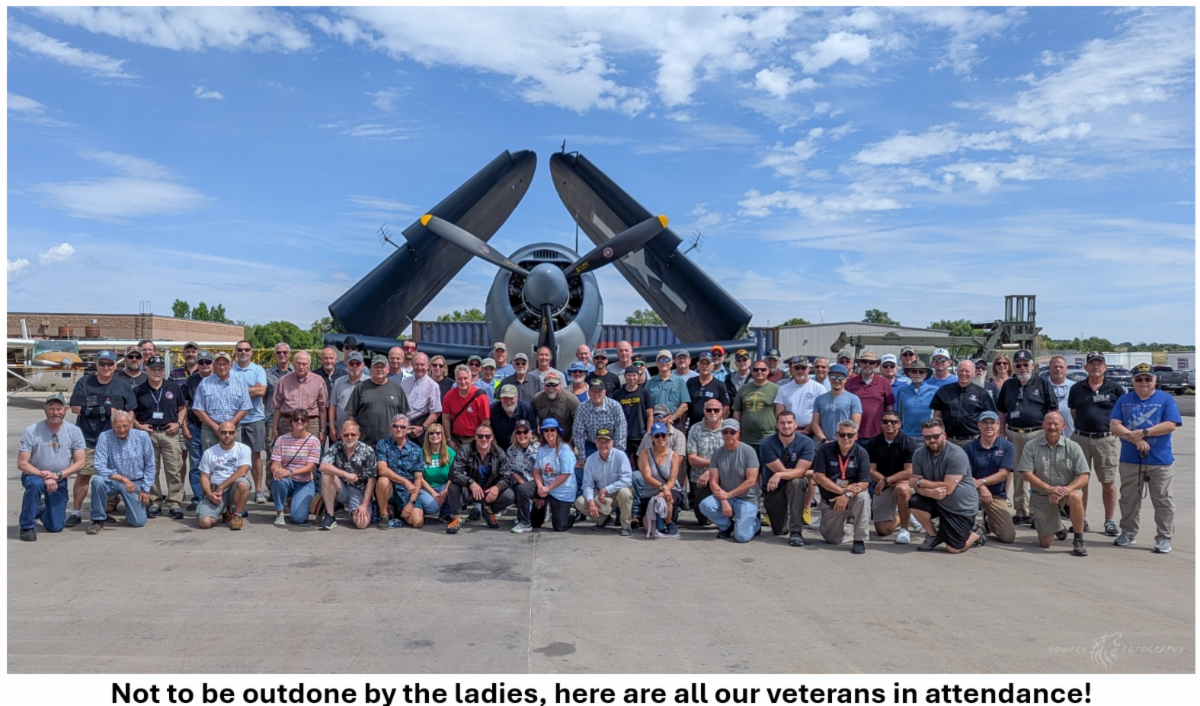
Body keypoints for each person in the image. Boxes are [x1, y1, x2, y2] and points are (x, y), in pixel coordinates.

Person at [1109, 363, 1182, 554]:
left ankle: (1164, 538)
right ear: (1133, 381)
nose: (1144, 382)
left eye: (1148, 379)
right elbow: (1114, 424)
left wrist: (1144, 432)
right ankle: (1128, 533)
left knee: (1163, 501)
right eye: (1139, 379)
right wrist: (1134, 438)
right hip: (1130, 460)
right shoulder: (1124, 400)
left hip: (1160, 461)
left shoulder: (1166, 399)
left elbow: (1171, 424)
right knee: (1129, 499)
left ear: (1155, 380)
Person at [67, 350, 138, 528]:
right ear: (96, 365)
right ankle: (76, 512)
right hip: (88, 439)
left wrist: (129, 431)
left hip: (114, 441)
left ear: (115, 365)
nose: (106, 367)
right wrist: (104, 410)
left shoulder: (122, 385)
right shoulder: (84, 382)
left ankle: (102, 511)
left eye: (110, 364)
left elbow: (130, 411)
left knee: (109, 478)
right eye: (102, 364)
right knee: (84, 475)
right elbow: (75, 408)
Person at [996, 349, 1057, 526]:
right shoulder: (1009, 385)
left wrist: (1052, 430)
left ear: (1032, 365)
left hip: (1037, 433)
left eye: (1025, 364)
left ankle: (1038, 512)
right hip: (1014, 433)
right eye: (1019, 365)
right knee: (1019, 473)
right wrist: (1002, 429)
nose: (1022, 368)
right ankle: (1021, 511)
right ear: (1014, 367)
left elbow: (1053, 408)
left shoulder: (1042, 383)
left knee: (1039, 472)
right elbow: (1002, 410)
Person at [1068, 351, 1125, 537]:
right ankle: (1081, 519)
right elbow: (1074, 412)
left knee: (1107, 482)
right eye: (1092, 363)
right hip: (1081, 439)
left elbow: (1121, 414)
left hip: (1105, 440)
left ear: (1105, 367)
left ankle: (1109, 521)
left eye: (1099, 363)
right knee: (1080, 481)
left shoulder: (1115, 389)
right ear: (1085, 367)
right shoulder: (1077, 388)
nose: (1095, 367)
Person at [1016, 412, 1089, 556]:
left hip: (1066, 494)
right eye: (1049, 424)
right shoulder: (1031, 446)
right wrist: (1048, 488)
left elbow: (1084, 476)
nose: (1052, 427)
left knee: (1075, 496)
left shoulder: (1073, 447)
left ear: (1063, 426)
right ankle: (1059, 526)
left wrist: (1065, 490)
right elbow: (1026, 473)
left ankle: (1078, 539)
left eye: (1056, 424)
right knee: (1045, 543)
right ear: (1043, 425)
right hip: (1042, 496)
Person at [909, 418, 985, 554]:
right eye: (927, 437)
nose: (932, 440)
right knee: (914, 502)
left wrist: (922, 482)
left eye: (935, 436)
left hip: (960, 507)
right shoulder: (919, 454)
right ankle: (933, 535)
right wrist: (930, 493)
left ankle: (977, 532)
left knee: (954, 548)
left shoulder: (956, 454)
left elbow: (947, 488)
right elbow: (914, 485)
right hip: (936, 500)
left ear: (944, 435)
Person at [18, 393, 86, 540]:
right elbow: (22, 463)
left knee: (56, 527)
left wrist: (58, 475)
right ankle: (27, 526)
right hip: (34, 475)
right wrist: (44, 476)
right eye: (51, 408)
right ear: (45, 409)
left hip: (59, 478)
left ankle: (40, 509)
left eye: (59, 409)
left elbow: (80, 462)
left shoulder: (74, 431)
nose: (55, 412)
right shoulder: (31, 430)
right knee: (35, 485)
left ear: (65, 410)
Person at [133, 355, 188, 519]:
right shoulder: (138, 390)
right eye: (153, 369)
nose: (156, 372)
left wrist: (178, 423)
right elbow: (131, 412)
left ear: (164, 371)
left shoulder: (173, 387)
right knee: (151, 470)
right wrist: (139, 426)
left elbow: (182, 408)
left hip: (169, 433)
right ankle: (154, 503)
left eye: (159, 369)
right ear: (146, 370)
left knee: (174, 469)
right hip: (147, 434)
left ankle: (174, 503)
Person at [87, 410, 156, 534]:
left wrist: (146, 489)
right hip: (113, 480)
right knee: (97, 481)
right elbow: (99, 466)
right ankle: (98, 519)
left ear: (131, 424)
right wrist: (123, 479)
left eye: (125, 426)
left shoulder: (143, 437)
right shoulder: (104, 437)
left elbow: (150, 465)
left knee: (138, 522)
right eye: (118, 426)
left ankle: (137, 506)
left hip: (135, 481)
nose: (122, 430)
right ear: (112, 425)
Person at [810, 420, 870, 553]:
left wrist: (846, 495)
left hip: (852, 498)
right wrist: (840, 491)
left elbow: (864, 483)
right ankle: (850, 528)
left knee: (863, 497)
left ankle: (859, 540)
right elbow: (819, 476)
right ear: (836, 435)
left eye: (850, 435)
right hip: (831, 500)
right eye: (842, 434)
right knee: (833, 539)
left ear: (856, 436)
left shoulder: (862, 453)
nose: (846, 438)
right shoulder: (824, 450)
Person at [696, 419, 760, 543]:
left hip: (747, 499)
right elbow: (713, 481)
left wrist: (728, 495)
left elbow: (751, 481)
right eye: (725, 432)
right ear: (721, 433)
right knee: (705, 505)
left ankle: (755, 523)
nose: (729, 435)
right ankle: (727, 526)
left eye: (732, 432)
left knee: (742, 537)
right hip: (726, 496)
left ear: (738, 433)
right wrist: (724, 500)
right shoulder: (717, 454)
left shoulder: (749, 452)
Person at [759, 411, 815, 547]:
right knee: (779, 530)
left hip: (793, 484)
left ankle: (796, 532)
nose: (786, 426)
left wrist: (780, 475)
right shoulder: (767, 443)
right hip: (773, 487)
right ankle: (781, 522)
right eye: (782, 423)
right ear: (777, 425)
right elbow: (784, 470)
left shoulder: (807, 442)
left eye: (789, 422)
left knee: (797, 482)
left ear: (795, 424)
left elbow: (798, 472)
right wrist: (806, 472)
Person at [445, 421, 512, 534]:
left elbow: (506, 476)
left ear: (492, 438)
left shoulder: (499, 453)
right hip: (468, 491)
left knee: (509, 495)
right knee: (453, 486)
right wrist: (470, 482)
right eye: (480, 436)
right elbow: (454, 472)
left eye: (487, 436)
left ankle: (488, 511)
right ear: (475, 437)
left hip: (487, 492)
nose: (484, 439)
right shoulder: (465, 450)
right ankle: (456, 518)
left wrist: (497, 487)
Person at [513, 419, 576, 533]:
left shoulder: (565, 450)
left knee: (559, 527)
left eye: (552, 430)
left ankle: (570, 515)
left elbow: (565, 474)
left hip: (561, 492)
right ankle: (525, 522)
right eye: (546, 430)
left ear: (557, 432)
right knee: (523, 490)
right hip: (545, 486)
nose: (549, 433)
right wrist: (540, 487)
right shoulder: (542, 448)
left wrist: (548, 488)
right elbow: (537, 470)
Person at [865, 410, 919, 544]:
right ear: (881, 424)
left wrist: (885, 480)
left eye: (893, 422)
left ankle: (904, 530)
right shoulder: (873, 443)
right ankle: (906, 514)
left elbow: (909, 471)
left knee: (902, 489)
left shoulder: (909, 442)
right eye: (885, 421)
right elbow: (871, 470)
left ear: (899, 424)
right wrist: (884, 481)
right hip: (883, 484)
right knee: (882, 530)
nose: (889, 424)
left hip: (902, 483)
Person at [963, 411, 1017, 544]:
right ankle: (974, 527)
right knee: (962, 533)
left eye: (992, 423)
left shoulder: (1007, 447)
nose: (989, 426)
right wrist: (982, 487)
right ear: (979, 425)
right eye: (985, 423)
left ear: (998, 425)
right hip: (972, 493)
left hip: (996, 495)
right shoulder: (968, 447)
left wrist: (982, 482)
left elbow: (1003, 473)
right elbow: (966, 474)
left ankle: (989, 521)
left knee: (1008, 537)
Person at [318, 420, 378, 530]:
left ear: (358, 435)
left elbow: (372, 479)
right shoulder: (336, 447)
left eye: (353, 434)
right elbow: (323, 466)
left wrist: (364, 505)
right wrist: (346, 474)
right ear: (341, 435)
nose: (349, 437)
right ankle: (330, 516)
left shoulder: (368, 451)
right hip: (342, 487)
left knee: (361, 523)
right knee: (326, 475)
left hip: (359, 491)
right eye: (346, 435)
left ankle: (365, 507)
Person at [575, 428, 636, 536]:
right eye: (600, 441)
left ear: (612, 443)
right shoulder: (590, 460)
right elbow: (587, 485)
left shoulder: (621, 456)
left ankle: (626, 526)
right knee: (580, 502)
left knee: (625, 493)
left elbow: (627, 480)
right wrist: (591, 502)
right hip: (600, 495)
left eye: (606, 442)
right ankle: (603, 520)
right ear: (595, 442)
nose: (603, 445)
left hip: (617, 493)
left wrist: (606, 489)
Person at [229, 340, 269, 503]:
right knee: (234, 456)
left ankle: (258, 491)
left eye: (246, 349)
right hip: (235, 419)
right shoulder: (230, 370)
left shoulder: (258, 370)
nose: (243, 352)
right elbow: (227, 391)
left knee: (256, 455)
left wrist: (238, 390)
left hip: (255, 419)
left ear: (251, 352)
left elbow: (261, 391)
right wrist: (252, 389)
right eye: (240, 349)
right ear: (236, 352)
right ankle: (237, 489)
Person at [269, 410, 322, 526]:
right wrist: (276, 470)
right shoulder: (281, 440)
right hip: (287, 480)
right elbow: (275, 463)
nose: (299, 422)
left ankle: (295, 502)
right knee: (277, 479)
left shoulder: (314, 441)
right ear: (291, 422)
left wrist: (290, 472)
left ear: (307, 422)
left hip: (304, 482)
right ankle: (279, 511)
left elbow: (309, 467)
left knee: (298, 519)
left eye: (303, 419)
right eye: (296, 419)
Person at [191, 351, 252, 453]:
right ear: (214, 365)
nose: (222, 367)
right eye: (219, 364)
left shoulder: (240, 383)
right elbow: (197, 408)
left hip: (233, 429)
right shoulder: (205, 383)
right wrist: (215, 426)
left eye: (225, 364)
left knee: (233, 458)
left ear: (230, 366)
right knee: (211, 458)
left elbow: (245, 407)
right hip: (210, 430)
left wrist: (230, 425)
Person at [195, 421, 251, 530]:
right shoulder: (209, 452)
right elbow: (204, 477)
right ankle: (223, 510)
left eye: (230, 432)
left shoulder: (244, 449)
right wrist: (209, 494)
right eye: (224, 432)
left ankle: (237, 515)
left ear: (235, 433)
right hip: (216, 491)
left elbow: (242, 472)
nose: (227, 435)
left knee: (243, 484)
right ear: (218, 433)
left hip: (233, 488)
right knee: (205, 523)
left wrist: (221, 487)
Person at [374, 414, 427, 528]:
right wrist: (405, 481)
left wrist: (411, 503)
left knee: (417, 522)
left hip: (406, 492)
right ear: (391, 428)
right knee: (383, 480)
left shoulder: (416, 449)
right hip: (389, 490)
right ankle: (384, 514)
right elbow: (382, 470)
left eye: (403, 427)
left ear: (408, 430)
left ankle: (398, 511)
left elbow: (418, 480)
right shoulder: (382, 444)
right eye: (395, 426)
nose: (399, 429)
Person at [345, 355, 410, 447]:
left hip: (391, 444)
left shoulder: (397, 389)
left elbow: (403, 417)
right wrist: (352, 435)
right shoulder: (360, 388)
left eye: (382, 367)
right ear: (371, 369)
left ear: (387, 369)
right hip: (365, 443)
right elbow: (351, 415)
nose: (379, 369)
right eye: (376, 367)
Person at [931, 359, 998, 447]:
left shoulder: (982, 393)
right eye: (961, 370)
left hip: (973, 441)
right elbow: (937, 416)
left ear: (973, 373)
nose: (964, 373)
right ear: (957, 372)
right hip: (948, 440)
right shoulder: (944, 390)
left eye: (967, 371)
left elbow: (992, 417)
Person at [636, 422, 685, 537]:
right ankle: (658, 522)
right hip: (650, 491)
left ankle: (669, 522)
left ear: (667, 436)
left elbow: (672, 479)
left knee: (665, 499)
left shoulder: (673, 455)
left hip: (670, 490)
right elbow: (647, 477)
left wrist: (664, 491)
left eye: (663, 435)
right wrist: (662, 487)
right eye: (657, 436)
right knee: (651, 529)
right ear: (652, 438)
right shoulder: (645, 453)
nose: (660, 438)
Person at [271, 351, 327, 443]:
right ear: (293, 364)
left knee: (311, 450)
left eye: (304, 364)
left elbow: (323, 408)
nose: (301, 367)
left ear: (309, 365)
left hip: (311, 423)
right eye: (298, 363)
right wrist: (275, 428)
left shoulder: (318, 380)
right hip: (288, 422)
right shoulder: (284, 380)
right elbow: (277, 406)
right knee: (288, 449)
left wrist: (323, 431)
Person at [572, 378, 627, 472]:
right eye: (593, 391)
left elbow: (621, 432)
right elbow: (578, 434)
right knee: (581, 472)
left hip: (611, 446)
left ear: (604, 392)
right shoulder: (582, 408)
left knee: (614, 471)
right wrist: (582, 458)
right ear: (589, 393)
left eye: (599, 391)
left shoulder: (615, 406)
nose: (596, 394)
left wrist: (617, 455)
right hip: (591, 446)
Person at [182, 350, 214, 511]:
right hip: (195, 427)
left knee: (213, 464)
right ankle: (197, 498)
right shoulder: (191, 381)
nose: (204, 365)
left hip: (213, 428)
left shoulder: (218, 379)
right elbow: (184, 405)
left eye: (208, 362)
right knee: (196, 464)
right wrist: (184, 426)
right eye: (201, 362)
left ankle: (213, 496)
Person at [686, 399, 725, 527]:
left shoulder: (728, 429)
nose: (712, 413)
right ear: (704, 411)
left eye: (716, 410)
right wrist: (714, 465)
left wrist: (710, 471)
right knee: (703, 519)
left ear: (722, 411)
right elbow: (692, 459)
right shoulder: (694, 429)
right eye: (709, 410)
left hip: (724, 477)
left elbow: (731, 459)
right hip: (699, 478)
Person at [731, 358, 780, 455]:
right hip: (747, 438)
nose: (759, 372)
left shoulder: (776, 389)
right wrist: (737, 431)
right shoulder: (744, 389)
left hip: (769, 437)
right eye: (756, 369)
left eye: (763, 369)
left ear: (768, 371)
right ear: (752, 371)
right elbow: (737, 411)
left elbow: (779, 412)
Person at [844, 351, 895, 441]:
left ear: (876, 365)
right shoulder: (849, 383)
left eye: (871, 362)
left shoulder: (884, 383)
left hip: (878, 435)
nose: (867, 364)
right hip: (854, 435)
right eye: (864, 361)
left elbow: (889, 408)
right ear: (859, 364)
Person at [810, 364, 862, 445]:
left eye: (840, 378)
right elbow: (815, 423)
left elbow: (855, 425)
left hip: (844, 443)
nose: (837, 380)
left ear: (846, 379)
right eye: (833, 377)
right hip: (824, 444)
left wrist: (842, 440)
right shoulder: (819, 399)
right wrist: (824, 440)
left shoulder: (854, 399)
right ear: (829, 378)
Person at [441, 364, 491, 449]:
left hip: (474, 439)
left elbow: (485, 422)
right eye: (459, 379)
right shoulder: (449, 395)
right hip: (456, 439)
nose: (463, 382)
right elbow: (445, 418)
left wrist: (479, 440)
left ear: (471, 379)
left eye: (465, 378)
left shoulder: (480, 397)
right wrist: (449, 440)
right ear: (456, 380)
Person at [775, 356, 825, 436]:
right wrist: (791, 430)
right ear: (792, 369)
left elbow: (822, 413)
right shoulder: (783, 389)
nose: (800, 371)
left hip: (813, 432)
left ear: (808, 369)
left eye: (803, 368)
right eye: (797, 368)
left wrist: (807, 430)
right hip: (788, 431)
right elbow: (779, 412)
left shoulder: (819, 389)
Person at [401, 352, 443, 439]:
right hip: (403, 426)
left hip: (418, 427)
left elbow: (436, 411)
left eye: (422, 365)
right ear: (412, 365)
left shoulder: (433, 386)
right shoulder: (405, 382)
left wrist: (422, 428)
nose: (419, 368)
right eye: (416, 364)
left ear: (428, 366)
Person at [613, 366, 652, 455]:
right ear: (625, 376)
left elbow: (650, 415)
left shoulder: (644, 392)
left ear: (638, 376)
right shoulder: (618, 394)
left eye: (634, 375)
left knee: (641, 461)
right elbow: (614, 416)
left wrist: (648, 433)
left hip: (640, 435)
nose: (631, 378)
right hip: (623, 436)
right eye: (629, 375)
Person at [532, 373, 579, 445]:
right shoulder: (537, 398)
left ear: (560, 384)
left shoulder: (571, 399)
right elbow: (531, 420)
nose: (551, 388)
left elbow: (579, 424)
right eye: (548, 385)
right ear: (544, 386)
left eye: (554, 385)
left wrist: (572, 443)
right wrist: (535, 438)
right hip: (544, 442)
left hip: (565, 441)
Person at [895, 357, 936, 439]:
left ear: (926, 374)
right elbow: (899, 414)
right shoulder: (902, 391)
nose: (917, 374)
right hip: (907, 435)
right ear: (909, 374)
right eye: (914, 371)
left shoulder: (934, 390)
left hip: (928, 436)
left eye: (921, 372)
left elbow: (938, 415)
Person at [686, 351, 730, 427]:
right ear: (698, 366)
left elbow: (726, 408)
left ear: (712, 366)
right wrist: (682, 426)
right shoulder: (690, 382)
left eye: (707, 364)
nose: (705, 366)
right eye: (702, 363)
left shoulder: (720, 385)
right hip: (692, 425)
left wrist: (719, 425)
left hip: (712, 426)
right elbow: (685, 405)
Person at [646, 349, 688, 429]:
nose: (663, 362)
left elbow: (684, 405)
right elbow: (646, 406)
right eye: (660, 360)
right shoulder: (649, 383)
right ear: (656, 363)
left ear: (671, 363)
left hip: (674, 423)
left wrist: (673, 417)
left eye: (667, 360)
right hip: (655, 423)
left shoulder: (680, 381)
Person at [491, 383, 537, 451]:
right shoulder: (493, 409)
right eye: (505, 398)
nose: (508, 401)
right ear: (500, 398)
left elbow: (533, 431)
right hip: (498, 448)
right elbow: (489, 429)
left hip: (522, 448)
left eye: (511, 398)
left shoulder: (527, 409)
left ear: (517, 397)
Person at [330, 351, 367, 433]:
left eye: (358, 363)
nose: (354, 366)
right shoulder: (338, 382)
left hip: (365, 432)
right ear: (347, 365)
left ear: (363, 365)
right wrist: (332, 427)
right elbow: (333, 406)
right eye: (351, 363)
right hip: (343, 431)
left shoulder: (370, 382)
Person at [264, 343, 293, 446]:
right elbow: (264, 396)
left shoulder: (296, 372)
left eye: (285, 352)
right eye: (278, 352)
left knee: (289, 449)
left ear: (289, 354)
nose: (282, 354)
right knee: (270, 449)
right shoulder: (267, 374)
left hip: (291, 419)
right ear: (275, 355)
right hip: (271, 419)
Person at [1046, 356, 1077, 438]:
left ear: (1066, 368)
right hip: (1047, 433)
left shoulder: (1074, 387)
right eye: (1055, 367)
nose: (1058, 369)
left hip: (1070, 434)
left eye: (1061, 367)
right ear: (1049, 368)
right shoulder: (1042, 386)